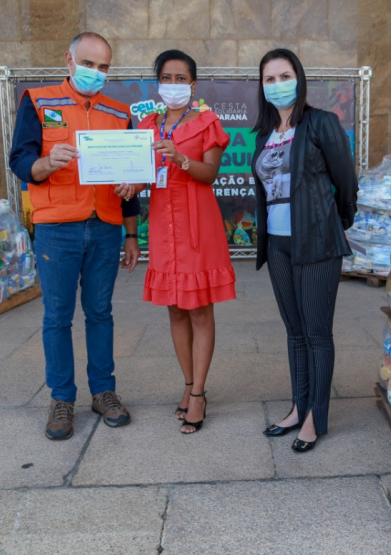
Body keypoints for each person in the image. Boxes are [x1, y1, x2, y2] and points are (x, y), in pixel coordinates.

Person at [9, 32, 139, 440]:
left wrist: (132, 230)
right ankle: (62, 398)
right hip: (56, 228)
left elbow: (131, 175)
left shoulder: (120, 114)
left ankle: (104, 392)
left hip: (106, 226)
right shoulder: (39, 101)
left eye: (104, 68)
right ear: (69, 60)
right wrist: (46, 162)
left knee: (100, 312)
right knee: (57, 317)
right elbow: (20, 160)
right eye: (89, 64)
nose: (96, 74)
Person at [117, 50, 235, 434]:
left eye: (180, 78)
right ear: (157, 83)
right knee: (174, 310)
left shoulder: (207, 122)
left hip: (199, 228)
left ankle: (199, 393)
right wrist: (131, 183)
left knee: (200, 309)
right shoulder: (147, 123)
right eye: (166, 78)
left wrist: (180, 158)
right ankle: (187, 384)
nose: (173, 85)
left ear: (193, 84)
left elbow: (210, 173)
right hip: (165, 230)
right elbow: (145, 174)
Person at [251, 49, 358, 453]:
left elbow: (346, 181)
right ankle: (298, 406)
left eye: (285, 75)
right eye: (270, 79)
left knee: (316, 334)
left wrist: (337, 223)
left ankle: (316, 417)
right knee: (294, 332)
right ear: (262, 86)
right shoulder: (264, 135)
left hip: (316, 242)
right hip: (277, 244)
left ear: (299, 77)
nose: (278, 85)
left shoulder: (321, 123)